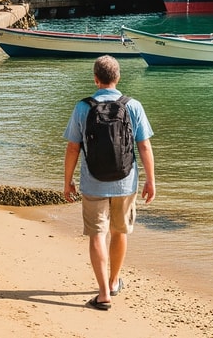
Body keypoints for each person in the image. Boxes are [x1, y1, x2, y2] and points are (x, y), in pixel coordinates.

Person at [62, 55, 156, 311]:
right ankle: (114, 282)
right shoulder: (133, 105)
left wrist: (67, 182)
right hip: (126, 182)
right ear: (118, 78)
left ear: (95, 79)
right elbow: (144, 145)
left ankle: (103, 293)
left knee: (97, 234)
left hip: (93, 182)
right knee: (119, 231)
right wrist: (151, 180)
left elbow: (73, 148)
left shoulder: (83, 107)